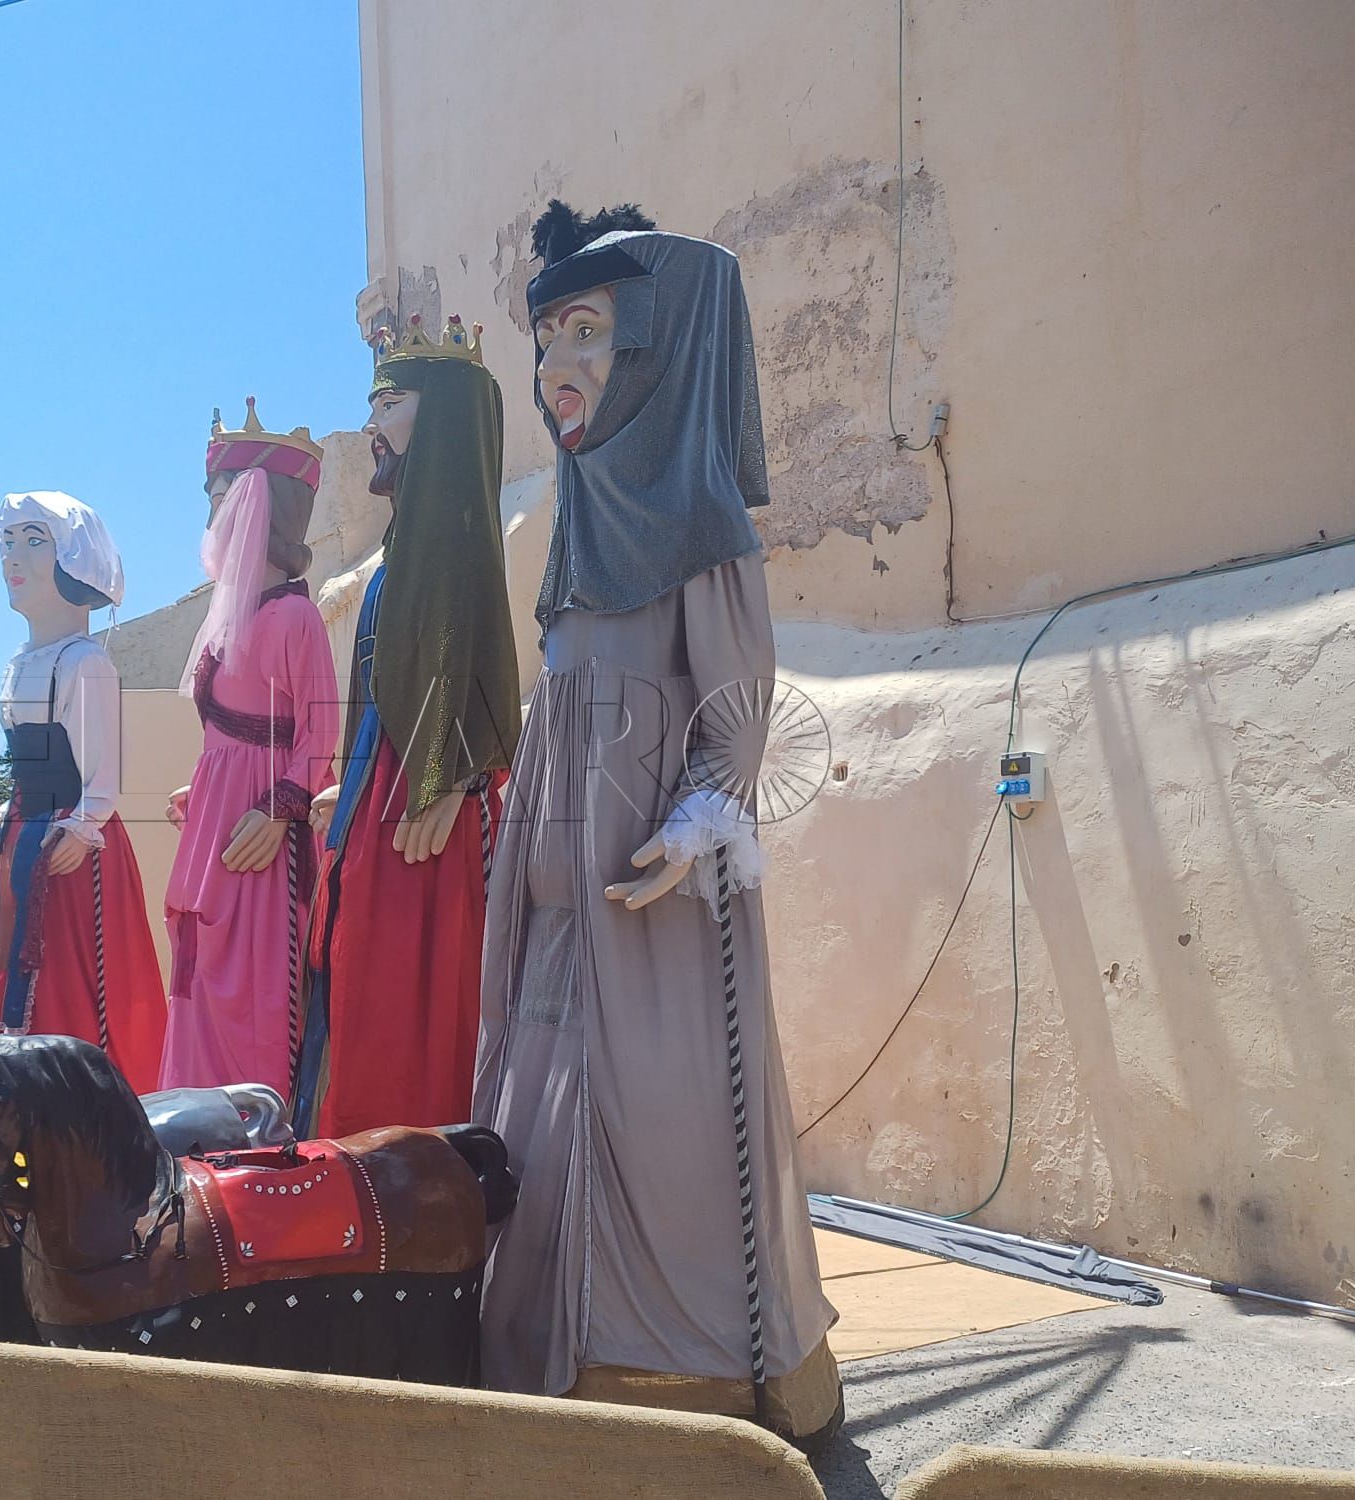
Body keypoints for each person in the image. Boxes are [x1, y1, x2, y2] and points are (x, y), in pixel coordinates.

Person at [473, 201, 843, 1445]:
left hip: (652, 891)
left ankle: (680, 1379)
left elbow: (737, 707)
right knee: (544, 1103)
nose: (554, 368)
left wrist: (695, 821)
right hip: (558, 895)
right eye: (544, 341)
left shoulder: (695, 520)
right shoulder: (578, 530)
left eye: (587, 332)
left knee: (663, 1110)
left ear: (655, 346)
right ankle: (546, 1351)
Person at [291, 315, 521, 1138]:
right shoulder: (399, 559)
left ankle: (419, 1187)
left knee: (415, 1019)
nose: (372, 426)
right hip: (383, 809)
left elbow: (474, 668)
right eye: (373, 405)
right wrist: (350, 789)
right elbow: (387, 694)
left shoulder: (457, 543)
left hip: (430, 823)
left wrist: (452, 777)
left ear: (444, 417)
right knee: (365, 1002)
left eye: (390, 404)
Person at [158, 400, 339, 1096]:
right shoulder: (229, 618)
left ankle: (258, 1130)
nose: (213, 517)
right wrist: (203, 786)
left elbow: (319, 732)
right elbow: (231, 731)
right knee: (204, 971)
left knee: (253, 987)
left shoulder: (295, 616)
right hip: (218, 824)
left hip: (261, 834)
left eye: (222, 498)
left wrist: (277, 810)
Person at [0, 491, 165, 1093]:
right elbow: (29, 769)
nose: (12, 557)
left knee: (69, 974)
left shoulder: (84, 663)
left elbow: (101, 772)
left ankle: (85, 1100)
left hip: (69, 848)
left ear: (75, 559)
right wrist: (0, 817)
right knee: (4, 959)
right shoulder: (19, 663)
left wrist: (83, 825)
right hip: (23, 838)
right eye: (7, 542)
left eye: (34, 541)